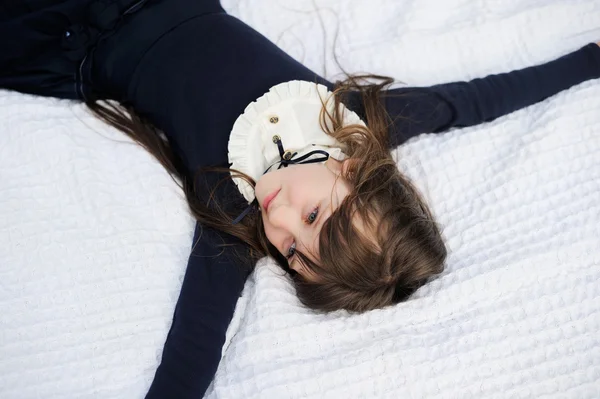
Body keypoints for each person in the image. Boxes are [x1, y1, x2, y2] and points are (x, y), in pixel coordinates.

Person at [2, 0, 599, 397]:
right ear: (354, 168)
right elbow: (478, 99)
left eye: (289, 249)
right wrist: (589, 61)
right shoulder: (361, 120)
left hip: (68, 37)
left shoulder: (230, 211)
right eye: (313, 214)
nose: (278, 217)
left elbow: (197, 340)